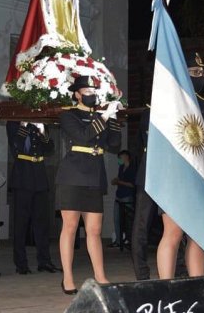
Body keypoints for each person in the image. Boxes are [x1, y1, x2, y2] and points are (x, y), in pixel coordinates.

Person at [131, 52, 204, 280]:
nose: (201, 77)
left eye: (203, 73)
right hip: (174, 176)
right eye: (195, 72)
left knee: (198, 235)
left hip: (199, 178)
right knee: (172, 232)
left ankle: (197, 284)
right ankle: (166, 284)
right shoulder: (165, 102)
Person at [55, 75, 122, 294]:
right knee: (71, 227)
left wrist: (113, 119)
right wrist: (104, 118)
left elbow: (113, 144)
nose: (92, 95)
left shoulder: (100, 115)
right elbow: (83, 136)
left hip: (94, 174)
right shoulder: (68, 115)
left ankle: (100, 276)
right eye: (87, 91)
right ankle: (67, 278)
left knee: (94, 230)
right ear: (77, 94)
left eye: (94, 91)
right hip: (72, 175)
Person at [6, 121, 61, 274]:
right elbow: (16, 146)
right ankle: (21, 264)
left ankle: (44, 262)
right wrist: (23, 126)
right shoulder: (13, 124)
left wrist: (43, 131)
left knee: (42, 224)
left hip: (39, 176)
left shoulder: (41, 123)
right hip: (23, 176)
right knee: (21, 224)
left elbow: (49, 149)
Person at [109, 150, 136, 248]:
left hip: (127, 197)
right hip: (119, 196)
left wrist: (119, 182)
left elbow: (132, 184)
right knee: (117, 219)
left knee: (128, 220)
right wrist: (116, 181)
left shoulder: (132, 169)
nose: (119, 160)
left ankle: (130, 241)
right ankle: (119, 241)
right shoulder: (121, 168)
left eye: (121, 157)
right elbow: (119, 180)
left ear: (126, 157)